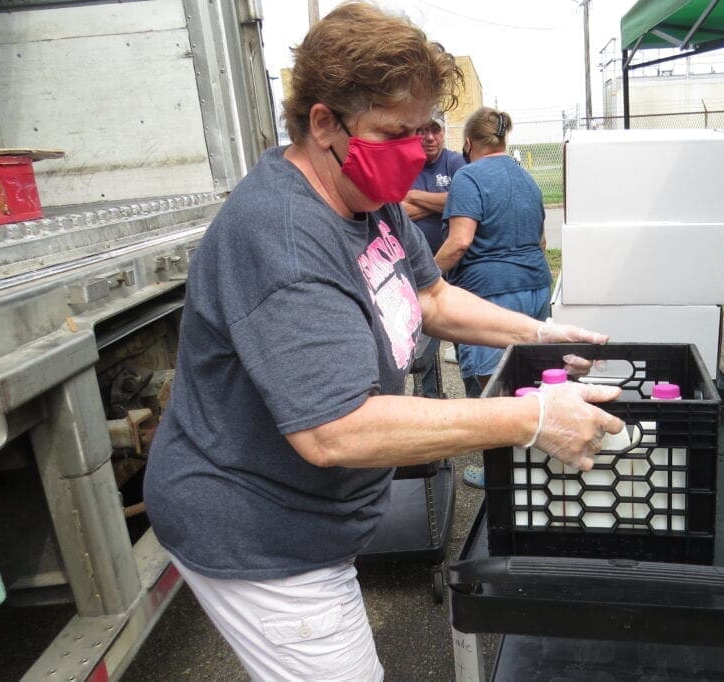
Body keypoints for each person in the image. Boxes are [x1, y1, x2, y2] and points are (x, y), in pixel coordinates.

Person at [142, 3, 623, 680]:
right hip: (257, 527)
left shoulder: (367, 194)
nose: (417, 150)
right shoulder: (283, 238)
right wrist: (532, 418)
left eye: (426, 130)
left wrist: (540, 333)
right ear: (322, 122)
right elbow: (336, 428)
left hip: (316, 515)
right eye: (397, 131)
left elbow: (429, 297)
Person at [434, 107, 553, 487]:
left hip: (492, 293)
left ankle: (498, 474)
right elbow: (541, 241)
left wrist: (422, 278)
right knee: (528, 376)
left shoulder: (468, 176)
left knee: (492, 385)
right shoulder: (527, 178)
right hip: (536, 285)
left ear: (468, 144)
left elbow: (460, 242)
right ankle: (535, 460)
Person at [401, 108, 464, 398]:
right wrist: (442, 203)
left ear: (443, 132)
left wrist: (414, 195)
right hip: (414, 267)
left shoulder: (455, 162)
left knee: (462, 331)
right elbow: (396, 210)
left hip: (454, 263)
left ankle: (469, 396)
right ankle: (428, 396)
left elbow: (460, 200)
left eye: (435, 130)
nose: (429, 137)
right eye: (422, 130)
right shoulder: (406, 164)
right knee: (423, 334)